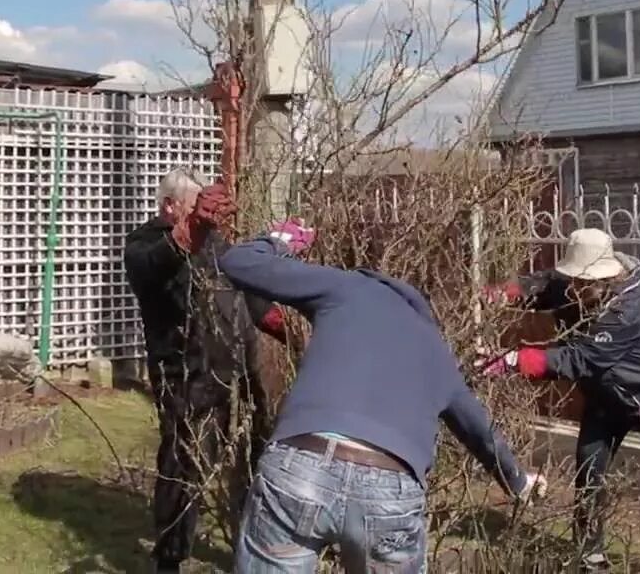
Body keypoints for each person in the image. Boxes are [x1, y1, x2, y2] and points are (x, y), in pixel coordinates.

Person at [216, 217, 546, 574]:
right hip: (389, 485)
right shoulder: (436, 349)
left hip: (301, 464)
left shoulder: (345, 288)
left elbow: (239, 262)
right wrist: (517, 481)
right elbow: (479, 431)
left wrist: (282, 241)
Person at [478, 228, 640, 572]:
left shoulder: (626, 309)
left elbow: (577, 359)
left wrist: (510, 361)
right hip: (607, 395)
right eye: (576, 281)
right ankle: (591, 559)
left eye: (589, 284)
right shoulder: (570, 283)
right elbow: (539, 286)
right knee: (589, 472)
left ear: (609, 276)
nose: (578, 289)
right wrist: (497, 294)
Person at [124, 169, 291, 574]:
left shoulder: (215, 242)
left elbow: (245, 289)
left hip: (227, 372)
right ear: (169, 205)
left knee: (237, 458)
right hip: (181, 373)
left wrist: (289, 327)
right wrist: (192, 228)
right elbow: (156, 266)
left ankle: (244, 545)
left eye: (203, 206)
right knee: (183, 463)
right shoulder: (144, 243)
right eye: (193, 205)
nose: (203, 213)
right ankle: (170, 557)